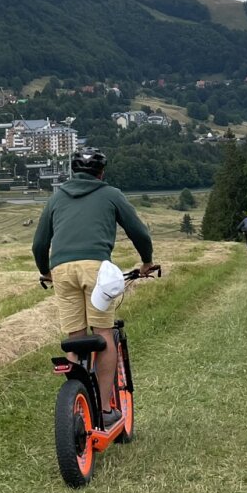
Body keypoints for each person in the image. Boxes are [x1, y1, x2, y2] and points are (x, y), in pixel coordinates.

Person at [32, 147, 154, 426]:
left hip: (62, 270)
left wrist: (46, 271)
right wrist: (146, 262)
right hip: (96, 271)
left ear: (74, 172)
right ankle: (104, 407)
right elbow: (139, 232)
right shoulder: (111, 194)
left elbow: (39, 244)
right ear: (101, 173)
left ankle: (78, 400)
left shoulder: (57, 197)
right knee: (103, 334)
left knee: (76, 337)